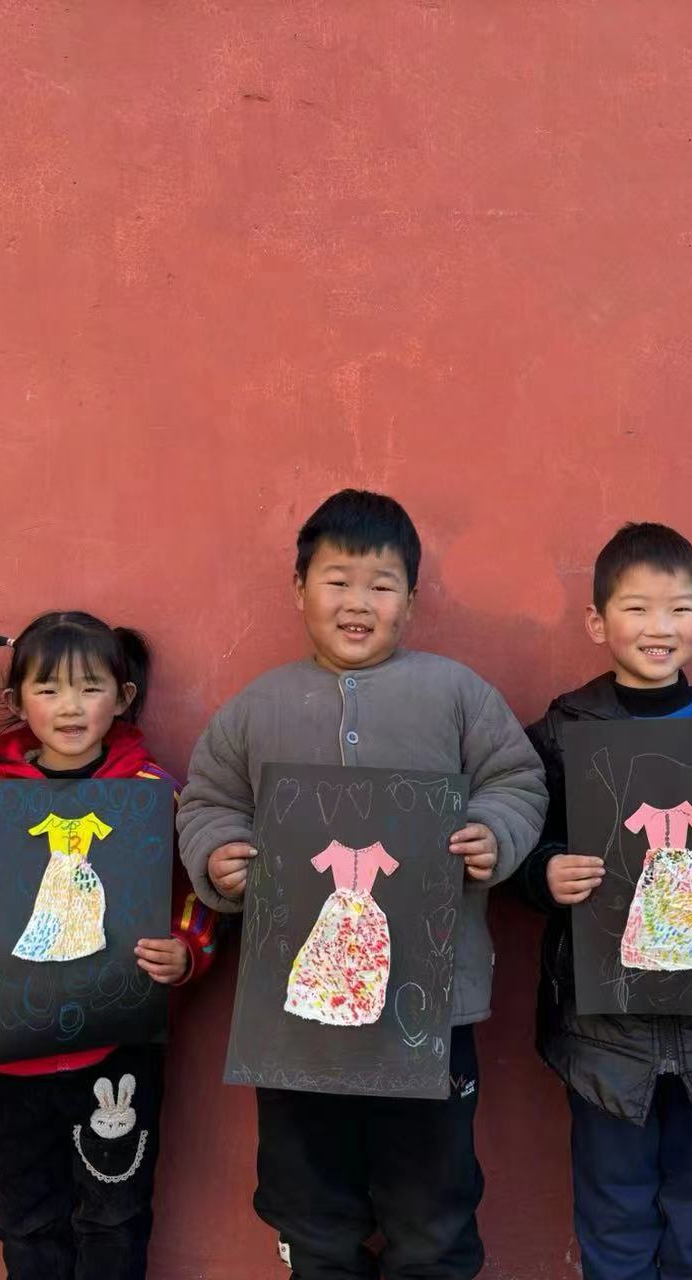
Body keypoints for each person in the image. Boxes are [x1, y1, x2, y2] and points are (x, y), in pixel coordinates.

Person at [178, 489, 547, 1280]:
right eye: (337, 580)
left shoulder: (457, 694)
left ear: (411, 603)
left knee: (434, 1202)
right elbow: (208, 801)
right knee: (310, 1202)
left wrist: (496, 835)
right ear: (299, 589)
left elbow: (517, 779)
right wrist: (221, 858)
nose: (358, 603)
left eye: (381, 586)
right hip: (294, 1014)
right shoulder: (255, 709)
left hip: (431, 1001)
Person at [519, 522, 692, 1280]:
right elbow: (522, 841)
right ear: (597, 622)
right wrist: (543, 875)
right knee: (614, 1209)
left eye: (679, 609)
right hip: (605, 1030)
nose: (659, 627)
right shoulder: (560, 736)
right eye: (637, 609)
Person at [0, 611, 217, 1280]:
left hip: (115, 1052)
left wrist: (187, 949)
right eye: (49, 689)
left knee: (116, 1215)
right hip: (9, 1060)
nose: (70, 706)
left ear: (123, 697)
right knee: (26, 1220)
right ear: (17, 703)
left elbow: (199, 883)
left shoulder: (155, 797)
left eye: (90, 687)